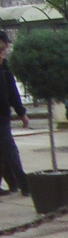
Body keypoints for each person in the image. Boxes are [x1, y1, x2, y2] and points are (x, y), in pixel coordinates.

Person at [0, 31, 30, 196]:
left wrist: (21, 113)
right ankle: (24, 184)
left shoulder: (5, 67)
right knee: (10, 151)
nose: (5, 51)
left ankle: (13, 183)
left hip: (3, 116)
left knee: (5, 152)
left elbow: (12, 92)